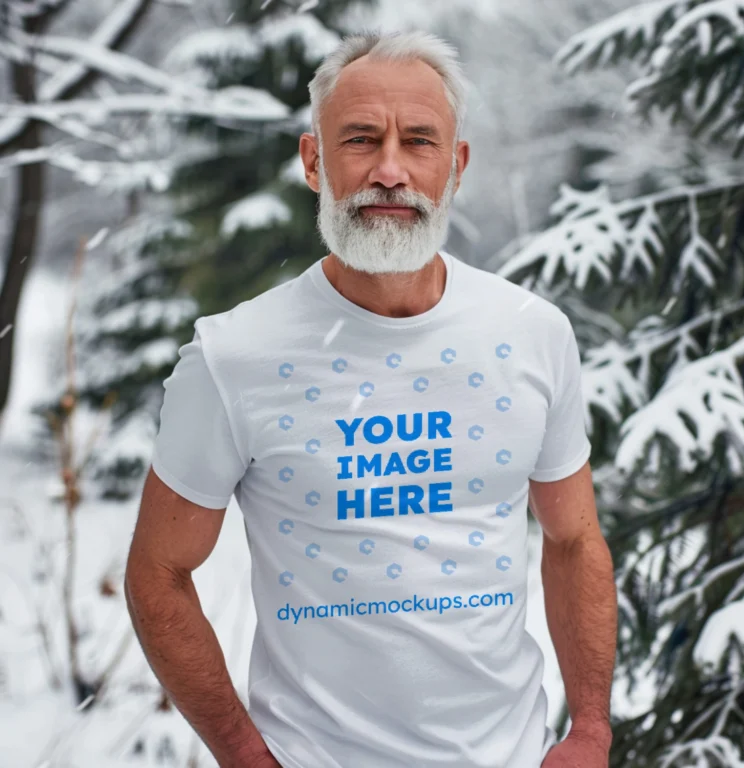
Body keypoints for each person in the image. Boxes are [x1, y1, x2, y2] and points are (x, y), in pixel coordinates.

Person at [125, 30, 617, 768]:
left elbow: (574, 539)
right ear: (314, 161)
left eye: (418, 142)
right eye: (361, 139)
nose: (390, 171)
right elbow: (157, 573)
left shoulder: (532, 334)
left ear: (456, 166)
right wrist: (244, 756)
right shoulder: (235, 354)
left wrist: (589, 730)